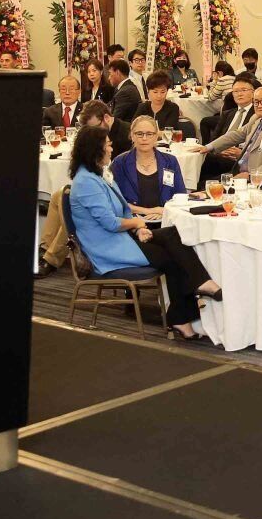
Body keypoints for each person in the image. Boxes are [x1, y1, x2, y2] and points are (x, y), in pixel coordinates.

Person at [67, 124, 221, 339]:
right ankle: (184, 313)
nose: (111, 149)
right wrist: (137, 223)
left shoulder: (99, 174)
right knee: (172, 257)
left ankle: (198, 287)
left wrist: (139, 228)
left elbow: (123, 209)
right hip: (107, 248)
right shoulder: (86, 182)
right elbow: (110, 223)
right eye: (108, 145)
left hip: (121, 237)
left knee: (172, 234)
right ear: (95, 149)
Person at [199, 83, 262, 179]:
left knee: (205, 185)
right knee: (202, 167)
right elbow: (236, 135)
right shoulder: (256, 118)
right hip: (238, 168)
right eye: (256, 102)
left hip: (254, 176)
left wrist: (251, 176)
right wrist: (208, 147)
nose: (259, 105)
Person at [110, 115, 188, 214]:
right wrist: (149, 211)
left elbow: (181, 196)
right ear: (132, 136)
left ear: (156, 136)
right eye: (139, 134)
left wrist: (164, 212)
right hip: (133, 219)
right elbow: (114, 200)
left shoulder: (170, 161)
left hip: (166, 217)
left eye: (149, 134)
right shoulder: (120, 163)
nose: (144, 138)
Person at [107, 58, 142, 123]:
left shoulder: (125, 92)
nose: (109, 78)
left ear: (117, 72)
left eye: (110, 73)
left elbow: (115, 119)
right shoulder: (124, 88)